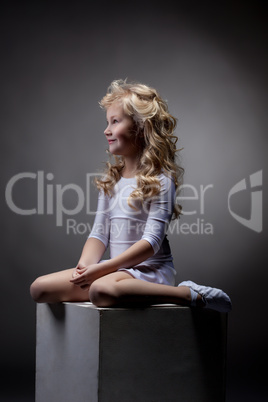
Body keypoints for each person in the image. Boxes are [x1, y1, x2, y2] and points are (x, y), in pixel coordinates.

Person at [30, 80, 232, 313]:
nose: (107, 130)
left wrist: (105, 270)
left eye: (115, 122)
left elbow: (151, 243)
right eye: (107, 122)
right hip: (116, 272)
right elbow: (99, 232)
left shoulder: (161, 180)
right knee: (40, 289)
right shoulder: (112, 180)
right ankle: (107, 281)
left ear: (141, 127)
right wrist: (85, 267)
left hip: (149, 270)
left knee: (100, 292)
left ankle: (188, 294)